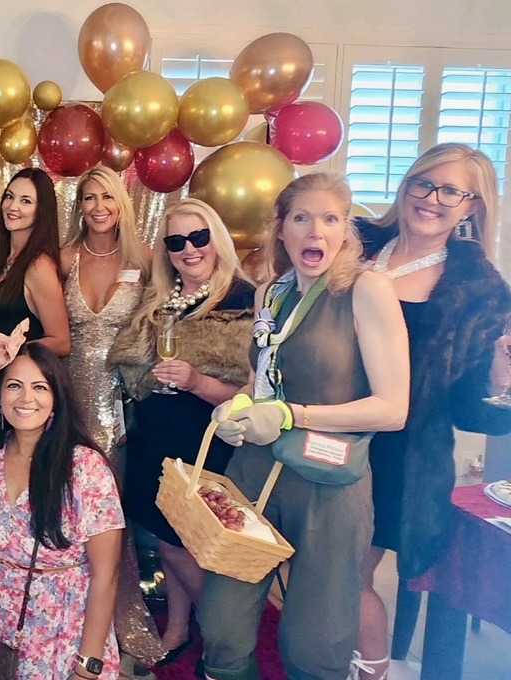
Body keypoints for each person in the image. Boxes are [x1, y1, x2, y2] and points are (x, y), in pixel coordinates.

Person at [198, 173, 410, 680]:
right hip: (255, 470)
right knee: (222, 622)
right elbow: (261, 379)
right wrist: (237, 409)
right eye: (301, 218)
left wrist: (294, 416)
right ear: (282, 230)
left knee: (316, 640)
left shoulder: (367, 288)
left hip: (329, 482)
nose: (316, 231)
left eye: (330, 219)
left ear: (345, 231)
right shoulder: (270, 292)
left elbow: (392, 409)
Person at [354, 144, 511, 679]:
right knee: (306, 570)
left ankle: (368, 671)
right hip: (319, 431)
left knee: (346, 574)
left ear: (471, 206)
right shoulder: (354, 241)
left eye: (451, 191)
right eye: (424, 182)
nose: (431, 198)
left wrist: (500, 378)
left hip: (398, 461)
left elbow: (473, 414)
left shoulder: (481, 291)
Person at [108, 198, 254, 664]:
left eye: (198, 237)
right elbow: (132, 367)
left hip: (205, 439)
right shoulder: (159, 300)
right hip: (157, 435)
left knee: (185, 544)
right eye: (176, 241)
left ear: (216, 240)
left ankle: (223, 635)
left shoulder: (242, 301)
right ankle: (177, 628)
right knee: (165, 538)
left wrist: (196, 381)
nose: (189, 249)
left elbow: (250, 393)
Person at [0, 343, 123, 680]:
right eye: (14, 385)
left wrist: (88, 664)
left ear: (56, 398)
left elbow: (106, 575)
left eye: (40, 387)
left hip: (64, 632)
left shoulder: (83, 467)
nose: (26, 398)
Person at [60, 166, 150, 460]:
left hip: (124, 398)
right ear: (80, 206)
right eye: (90, 198)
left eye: (108, 196)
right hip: (69, 392)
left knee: (117, 482)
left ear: (121, 203)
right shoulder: (64, 258)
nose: (99, 207)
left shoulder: (144, 258)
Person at [0, 168, 70, 356]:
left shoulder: (40, 266)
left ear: (41, 211)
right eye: (10, 197)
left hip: (18, 377)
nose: (13, 207)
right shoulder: (5, 259)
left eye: (25, 201)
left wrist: (8, 349)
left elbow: (61, 342)